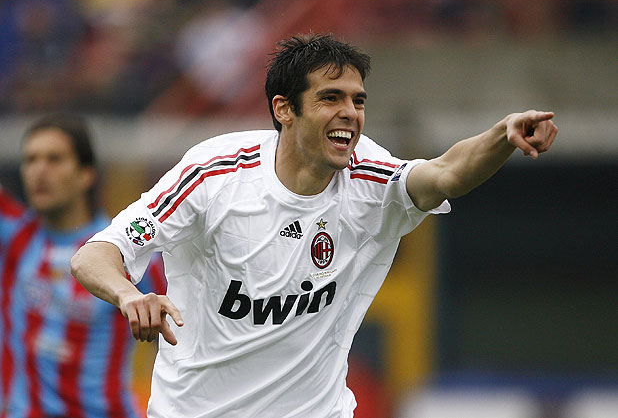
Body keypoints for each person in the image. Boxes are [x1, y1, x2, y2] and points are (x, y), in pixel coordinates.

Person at [71, 33, 558, 417]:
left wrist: (502, 134)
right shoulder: (214, 174)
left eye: (358, 101)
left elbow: (446, 173)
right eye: (330, 98)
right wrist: (129, 295)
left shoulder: (370, 176)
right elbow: (96, 253)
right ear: (284, 109)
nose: (350, 113)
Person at [0, 113, 167, 418]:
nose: (39, 170)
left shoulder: (129, 252)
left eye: (54, 159)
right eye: (31, 159)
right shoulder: (13, 235)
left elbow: (180, 341)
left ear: (86, 174)